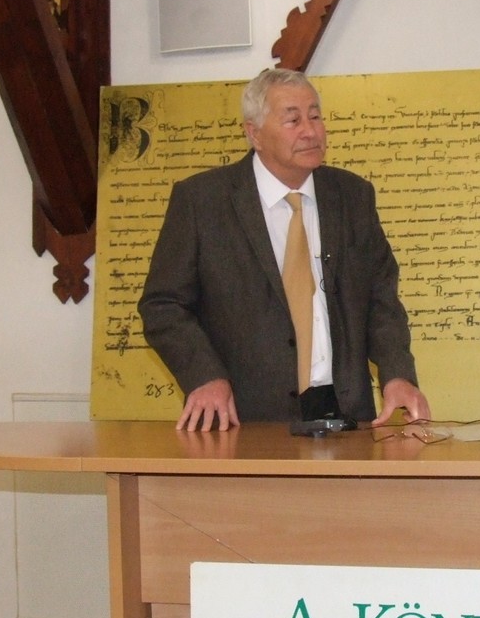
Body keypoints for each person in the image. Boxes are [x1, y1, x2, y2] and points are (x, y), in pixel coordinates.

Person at [138, 68, 431, 431]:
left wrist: (397, 375)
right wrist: (203, 375)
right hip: (245, 416)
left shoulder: (352, 196)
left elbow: (381, 298)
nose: (310, 131)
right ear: (254, 133)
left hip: (346, 412)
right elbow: (163, 304)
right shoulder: (203, 201)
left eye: (315, 116)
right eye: (293, 120)